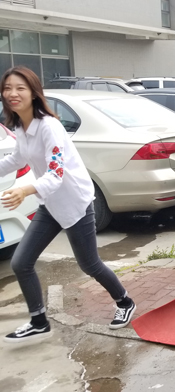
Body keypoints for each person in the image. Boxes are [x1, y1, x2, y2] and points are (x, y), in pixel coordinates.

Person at [0, 66, 136, 343]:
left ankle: (125, 301)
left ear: (34, 93)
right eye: (7, 88)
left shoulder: (49, 127)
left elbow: (55, 174)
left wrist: (24, 190)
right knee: (21, 262)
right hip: (49, 203)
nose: (12, 93)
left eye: (20, 88)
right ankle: (39, 321)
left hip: (75, 202)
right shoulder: (20, 126)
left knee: (90, 264)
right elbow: (17, 158)